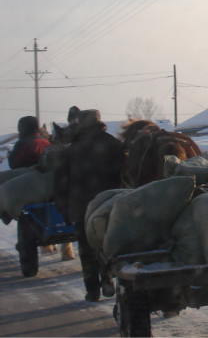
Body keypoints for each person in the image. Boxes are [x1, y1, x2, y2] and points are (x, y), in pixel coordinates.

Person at [53, 109, 125, 302]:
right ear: (99, 122)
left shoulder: (70, 151)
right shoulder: (114, 144)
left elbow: (60, 183)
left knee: (86, 248)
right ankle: (108, 279)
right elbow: (124, 176)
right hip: (110, 204)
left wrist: (63, 208)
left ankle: (92, 289)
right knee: (108, 244)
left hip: (81, 207)